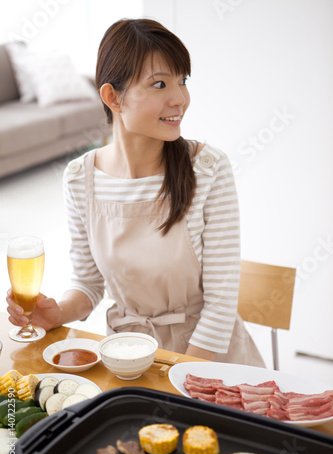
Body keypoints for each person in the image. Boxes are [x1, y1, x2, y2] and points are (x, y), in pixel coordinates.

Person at [6, 18, 264, 366]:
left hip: (208, 363)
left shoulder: (209, 169)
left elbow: (220, 307)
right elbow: (88, 284)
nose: (180, 99)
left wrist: (174, 386)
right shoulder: (80, 177)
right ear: (113, 97)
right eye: (159, 84)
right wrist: (56, 313)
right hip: (127, 358)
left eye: (182, 81)